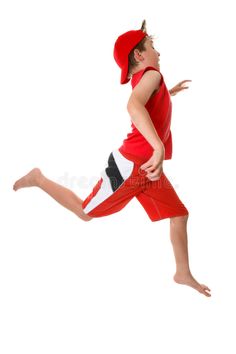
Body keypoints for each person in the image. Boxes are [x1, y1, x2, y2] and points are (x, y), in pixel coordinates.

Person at [13, 20, 211, 297]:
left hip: (147, 169)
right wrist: (158, 146)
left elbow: (148, 102)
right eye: (153, 47)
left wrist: (169, 92)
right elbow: (133, 106)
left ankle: (182, 272)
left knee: (179, 215)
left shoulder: (149, 79)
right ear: (139, 55)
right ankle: (38, 178)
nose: (158, 53)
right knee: (85, 213)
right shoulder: (152, 74)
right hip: (129, 166)